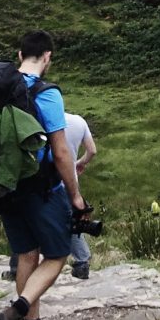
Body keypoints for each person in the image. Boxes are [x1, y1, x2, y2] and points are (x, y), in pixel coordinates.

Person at [0, 29, 89, 320]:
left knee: (26, 256)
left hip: (5, 188)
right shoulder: (47, 93)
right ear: (47, 57)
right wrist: (75, 196)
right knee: (58, 255)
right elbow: (61, 152)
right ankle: (15, 312)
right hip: (42, 189)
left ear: (19, 55)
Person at [64, 112, 99, 279]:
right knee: (72, 221)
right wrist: (78, 163)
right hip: (70, 180)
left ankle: (18, 266)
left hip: (45, 180)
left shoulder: (42, 118)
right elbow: (92, 150)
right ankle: (82, 261)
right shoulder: (78, 121)